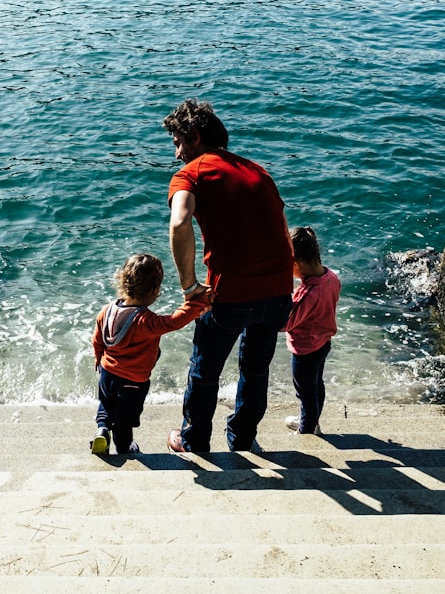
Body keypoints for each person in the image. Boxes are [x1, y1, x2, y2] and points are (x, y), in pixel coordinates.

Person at [163, 98, 294, 453]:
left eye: (177, 142)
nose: (176, 153)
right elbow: (283, 228)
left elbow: (179, 223)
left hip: (230, 292)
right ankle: (242, 438)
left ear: (194, 135)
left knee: (204, 370)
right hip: (279, 290)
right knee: (256, 369)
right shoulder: (258, 170)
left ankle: (193, 441)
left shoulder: (191, 174)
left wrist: (190, 286)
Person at [92, 253, 211, 455]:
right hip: (133, 381)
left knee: (106, 405)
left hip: (106, 372)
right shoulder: (145, 321)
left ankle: (102, 430)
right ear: (155, 290)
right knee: (124, 421)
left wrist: (98, 358)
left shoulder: (107, 310)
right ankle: (124, 448)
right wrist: (198, 302)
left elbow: (97, 339)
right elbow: (174, 321)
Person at [280, 226, 340, 435]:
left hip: (305, 349)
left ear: (297, 263)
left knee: (305, 392)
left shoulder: (307, 293)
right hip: (323, 342)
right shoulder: (331, 277)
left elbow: (286, 324)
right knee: (316, 385)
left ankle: (306, 430)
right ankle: (312, 421)